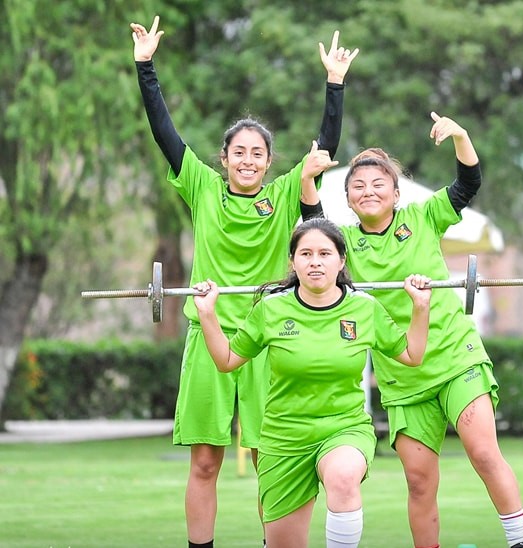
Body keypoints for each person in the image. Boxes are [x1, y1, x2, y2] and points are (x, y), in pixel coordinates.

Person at [129, 15, 358, 547]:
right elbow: (165, 131)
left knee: (268, 461)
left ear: (269, 161)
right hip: (207, 333)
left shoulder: (283, 196)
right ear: (225, 158)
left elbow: (322, 150)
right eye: (239, 152)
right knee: (205, 463)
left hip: (266, 339)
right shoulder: (203, 188)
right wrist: (146, 67)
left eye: (258, 153)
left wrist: (334, 85)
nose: (248, 160)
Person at [313, 112, 523, 548]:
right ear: (348, 199)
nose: (368, 190)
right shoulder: (342, 245)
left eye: (378, 184)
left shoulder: (423, 216)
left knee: (484, 454)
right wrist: (308, 176)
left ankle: (521, 541)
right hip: (402, 376)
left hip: (455, 359)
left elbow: (467, 183)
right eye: (357, 186)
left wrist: (461, 136)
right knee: (419, 482)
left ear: (395, 193)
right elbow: (309, 221)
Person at [192, 217, 432, 548]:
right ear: (292, 261)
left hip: (343, 427)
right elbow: (227, 360)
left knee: (344, 476)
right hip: (284, 438)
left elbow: (412, 354)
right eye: (305, 254)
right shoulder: (271, 309)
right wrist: (207, 314)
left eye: (324, 253)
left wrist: (421, 307)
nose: (315, 261)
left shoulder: (364, 308)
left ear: (341, 260)